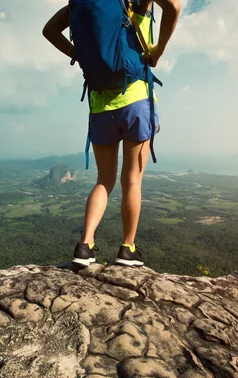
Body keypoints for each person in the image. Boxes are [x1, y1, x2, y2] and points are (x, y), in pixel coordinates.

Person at [43, 0, 181, 267]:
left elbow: (49, 30)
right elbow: (173, 6)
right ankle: (127, 249)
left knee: (104, 180)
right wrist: (158, 51)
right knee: (132, 181)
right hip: (135, 99)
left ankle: (85, 245)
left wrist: (76, 53)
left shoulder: (80, 3)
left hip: (99, 105)